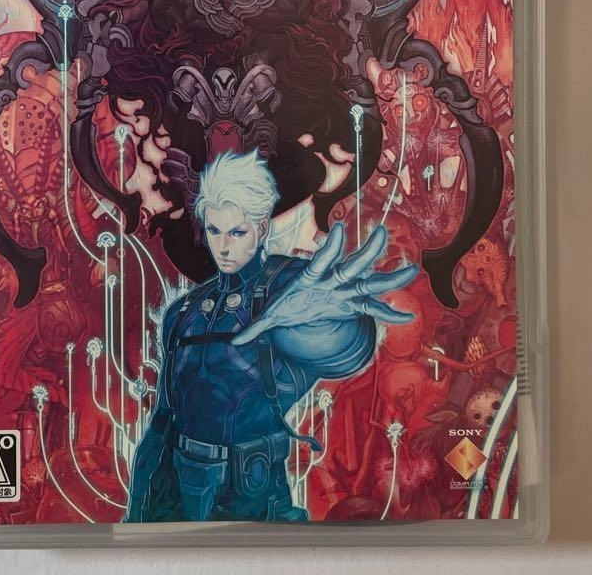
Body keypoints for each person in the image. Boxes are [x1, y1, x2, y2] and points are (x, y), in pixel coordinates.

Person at [124, 149, 419, 522]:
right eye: (214, 231)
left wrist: (325, 322)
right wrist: (139, 513)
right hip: (180, 488)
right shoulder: (184, 313)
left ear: (262, 229)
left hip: (252, 493)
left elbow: (346, 349)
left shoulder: (286, 285)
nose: (223, 246)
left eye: (237, 232)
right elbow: (162, 422)